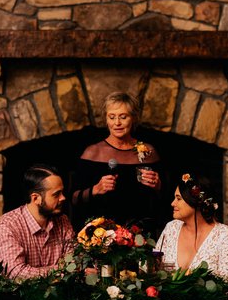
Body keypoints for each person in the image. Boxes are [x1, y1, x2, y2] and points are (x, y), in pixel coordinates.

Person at [0, 165, 75, 300]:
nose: (63, 198)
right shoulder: (8, 224)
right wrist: (61, 271)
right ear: (36, 198)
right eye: (56, 194)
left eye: (62, 192)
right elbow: (16, 274)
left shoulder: (63, 221)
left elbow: (74, 262)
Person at [69, 92, 165, 235]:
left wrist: (159, 186)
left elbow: (170, 200)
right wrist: (96, 189)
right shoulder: (93, 153)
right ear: (106, 119)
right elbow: (72, 199)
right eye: (112, 117)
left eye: (123, 117)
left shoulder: (149, 152)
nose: (117, 123)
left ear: (133, 118)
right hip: (103, 237)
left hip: (142, 235)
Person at [155, 173, 228, 281]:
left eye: (178, 199)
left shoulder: (223, 234)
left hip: (208, 298)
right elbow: (153, 268)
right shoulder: (171, 228)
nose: (172, 203)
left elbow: (227, 282)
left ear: (195, 201)